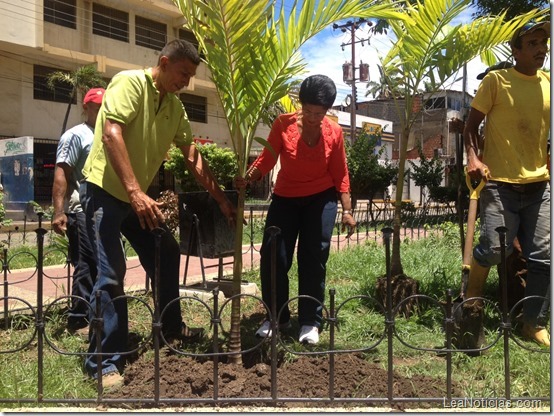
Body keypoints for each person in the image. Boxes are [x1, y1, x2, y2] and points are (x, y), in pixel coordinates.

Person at [80, 39, 237, 387]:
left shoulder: (175, 108)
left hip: (136, 196)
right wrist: (136, 192)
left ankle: (169, 329)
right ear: (164, 63)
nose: (187, 81)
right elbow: (111, 133)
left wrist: (221, 199)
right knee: (110, 272)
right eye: (183, 73)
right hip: (104, 192)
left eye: (192, 76)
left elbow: (192, 156)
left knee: (165, 249)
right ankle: (103, 363)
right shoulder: (129, 83)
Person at [236, 75, 356, 345]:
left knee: (313, 257)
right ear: (300, 105)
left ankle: (309, 322)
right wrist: (249, 176)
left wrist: (347, 210)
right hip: (286, 197)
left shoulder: (334, 132)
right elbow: (267, 160)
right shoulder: (283, 124)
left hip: (321, 199)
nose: (313, 118)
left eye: (320, 113)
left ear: (328, 111)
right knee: (273, 256)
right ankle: (276, 317)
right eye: (309, 111)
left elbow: (340, 173)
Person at [463, 21, 550, 347]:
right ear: (516, 49)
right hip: (499, 183)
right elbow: (471, 126)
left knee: (543, 256)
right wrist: (474, 158)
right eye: (533, 43)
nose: (541, 48)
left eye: (543, 42)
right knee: (494, 249)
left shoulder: (548, 83)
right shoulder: (497, 82)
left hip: (540, 184)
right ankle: (472, 299)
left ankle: (533, 322)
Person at [52, 87, 104, 333]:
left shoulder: (108, 134)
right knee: (85, 263)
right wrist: (58, 211)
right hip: (80, 208)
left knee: (102, 263)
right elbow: (62, 173)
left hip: (101, 209)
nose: (101, 111)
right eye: (97, 107)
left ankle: (96, 313)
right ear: (86, 108)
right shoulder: (75, 135)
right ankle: (77, 318)